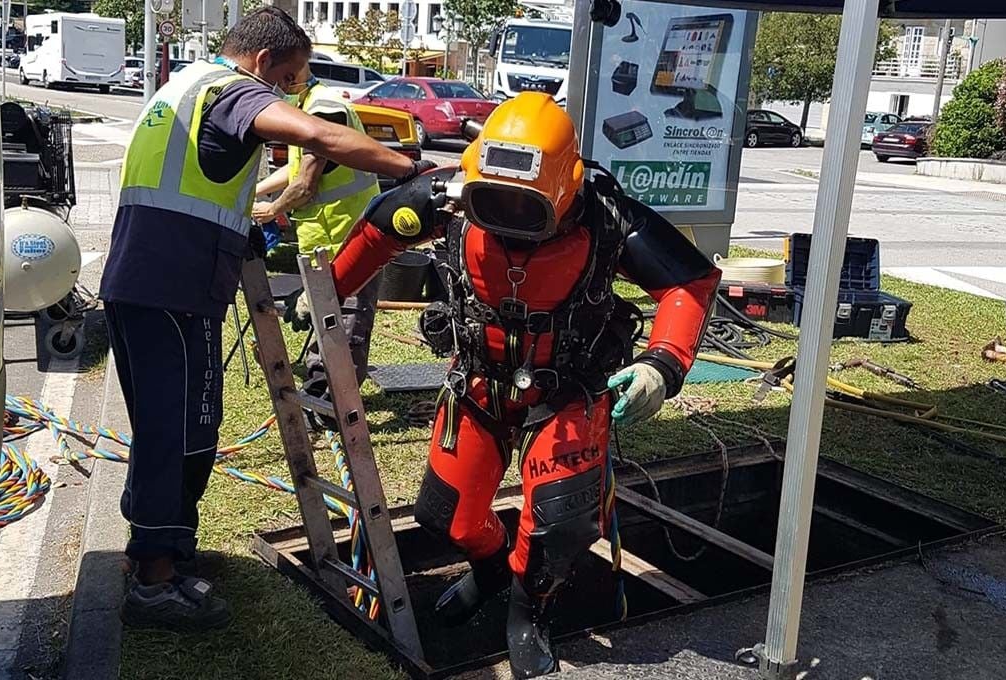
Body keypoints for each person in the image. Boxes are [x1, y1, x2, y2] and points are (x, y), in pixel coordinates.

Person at [314, 93, 721, 677]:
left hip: (569, 389)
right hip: (479, 383)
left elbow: (690, 281)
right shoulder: (444, 199)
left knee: (559, 525)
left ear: (564, 190)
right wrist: (325, 290)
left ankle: (530, 614)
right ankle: (490, 570)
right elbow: (378, 233)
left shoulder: (606, 218)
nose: (506, 218)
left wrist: (663, 364)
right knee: (445, 517)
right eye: (491, 201)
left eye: (523, 208)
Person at [98, 6, 432, 633]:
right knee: (182, 428)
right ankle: (153, 581)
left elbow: (199, 184)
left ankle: (161, 549)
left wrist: (245, 226)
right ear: (260, 63)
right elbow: (321, 138)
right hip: (173, 287)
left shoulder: (179, 88)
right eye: (287, 79)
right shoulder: (231, 90)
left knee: (168, 424)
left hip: (147, 279)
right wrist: (412, 170)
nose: (288, 92)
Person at [251, 62, 382, 404]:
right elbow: (294, 171)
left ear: (290, 76)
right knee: (326, 320)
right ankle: (321, 393)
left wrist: (273, 209)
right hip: (323, 239)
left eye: (276, 81)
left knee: (347, 326)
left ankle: (336, 404)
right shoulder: (306, 106)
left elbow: (307, 183)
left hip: (351, 239)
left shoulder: (326, 109)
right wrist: (256, 194)